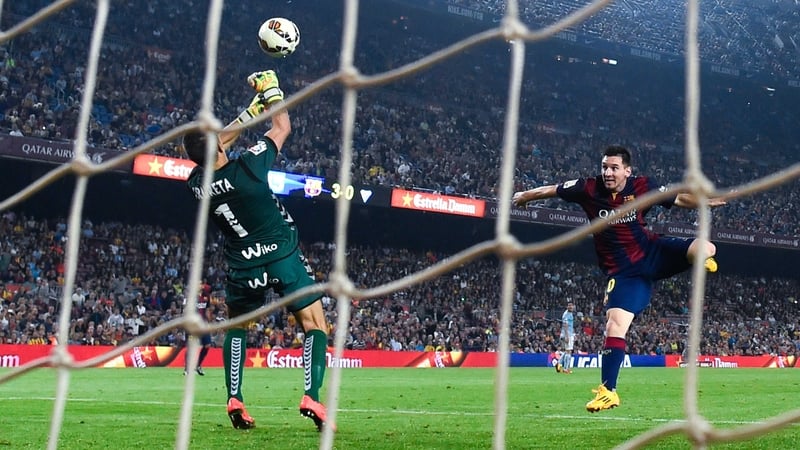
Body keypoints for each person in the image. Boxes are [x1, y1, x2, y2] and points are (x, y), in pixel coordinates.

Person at [512, 145, 726, 413]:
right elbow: (551, 190)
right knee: (615, 326)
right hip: (625, 274)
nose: (608, 172)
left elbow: (679, 199)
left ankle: (700, 262)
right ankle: (608, 391)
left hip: (652, 252)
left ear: (627, 170)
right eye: (604, 167)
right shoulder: (587, 188)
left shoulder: (643, 186)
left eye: (614, 168)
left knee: (707, 248)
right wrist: (525, 196)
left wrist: (705, 201)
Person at [182, 70, 334, 431]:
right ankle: (311, 394)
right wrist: (271, 91)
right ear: (219, 146)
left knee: (238, 326)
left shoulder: (195, 184)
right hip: (282, 255)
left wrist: (249, 114)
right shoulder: (248, 167)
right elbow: (282, 127)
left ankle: (235, 397)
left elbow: (215, 146)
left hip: (243, 266)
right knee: (315, 324)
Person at [183, 294, 212, 376]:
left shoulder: (206, 297)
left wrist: (208, 322)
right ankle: (187, 368)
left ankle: (198, 366)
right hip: (192, 326)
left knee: (207, 345)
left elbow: (207, 310)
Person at [555, 301, 575, 374]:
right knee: (568, 351)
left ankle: (558, 363)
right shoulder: (566, 314)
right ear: (567, 306)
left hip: (567, 334)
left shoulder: (569, 313)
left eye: (571, 305)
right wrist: (567, 336)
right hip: (567, 334)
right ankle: (566, 369)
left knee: (566, 351)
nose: (570, 307)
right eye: (569, 305)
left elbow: (570, 325)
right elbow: (565, 325)